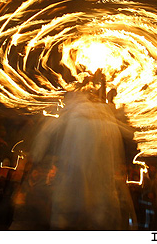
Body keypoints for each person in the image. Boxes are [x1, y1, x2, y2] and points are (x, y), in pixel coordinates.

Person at [29, 74, 135, 229]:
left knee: (67, 220)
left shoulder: (77, 113)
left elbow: (47, 131)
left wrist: (37, 152)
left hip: (74, 190)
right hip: (98, 194)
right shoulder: (107, 119)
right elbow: (129, 132)